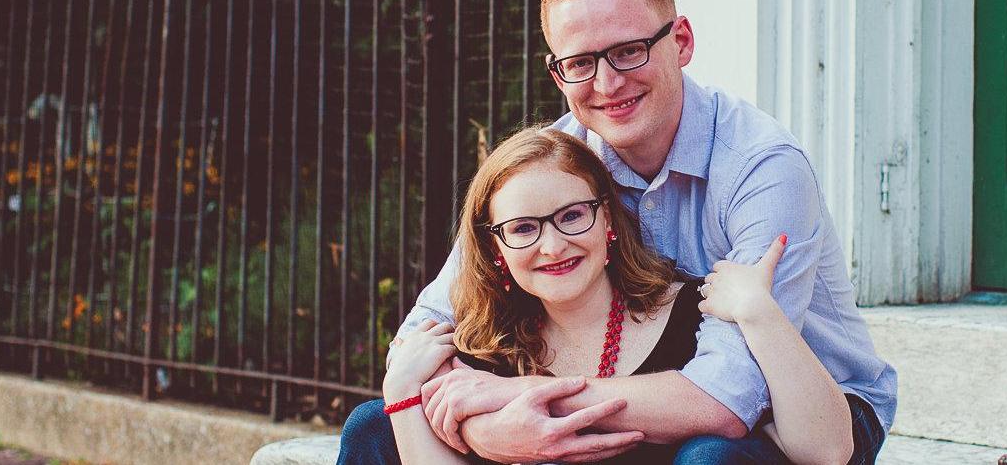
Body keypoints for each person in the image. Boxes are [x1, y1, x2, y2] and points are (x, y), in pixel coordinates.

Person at [340, 0, 895, 465]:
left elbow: (728, 399)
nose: (607, 83)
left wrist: (528, 398)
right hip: (648, 388)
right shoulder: (559, 161)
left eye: (629, 51)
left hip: (799, 411)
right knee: (372, 428)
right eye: (580, 62)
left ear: (680, 41)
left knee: (709, 458)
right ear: (558, 72)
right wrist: (489, 428)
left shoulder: (762, 168)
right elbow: (425, 329)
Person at [364, 126, 857, 465]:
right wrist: (402, 394)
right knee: (372, 425)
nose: (553, 246)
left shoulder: (691, 319)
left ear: (609, 222)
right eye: (523, 229)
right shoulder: (485, 354)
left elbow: (827, 449)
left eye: (572, 215)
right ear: (496, 249)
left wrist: (758, 311)